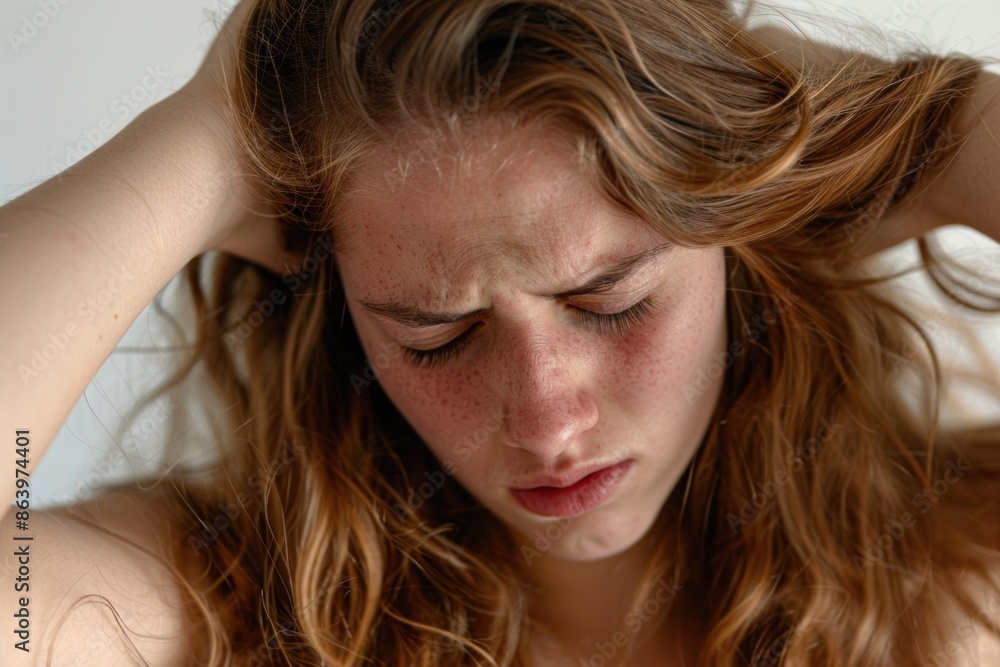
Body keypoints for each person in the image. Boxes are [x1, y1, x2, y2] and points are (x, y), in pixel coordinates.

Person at [2, 0, 1000, 664]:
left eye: (611, 298)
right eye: (437, 335)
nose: (547, 420)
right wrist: (209, 145)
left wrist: (941, 126)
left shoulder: (958, 580)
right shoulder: (226, 608)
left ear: (737, 236)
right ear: (341, 313)